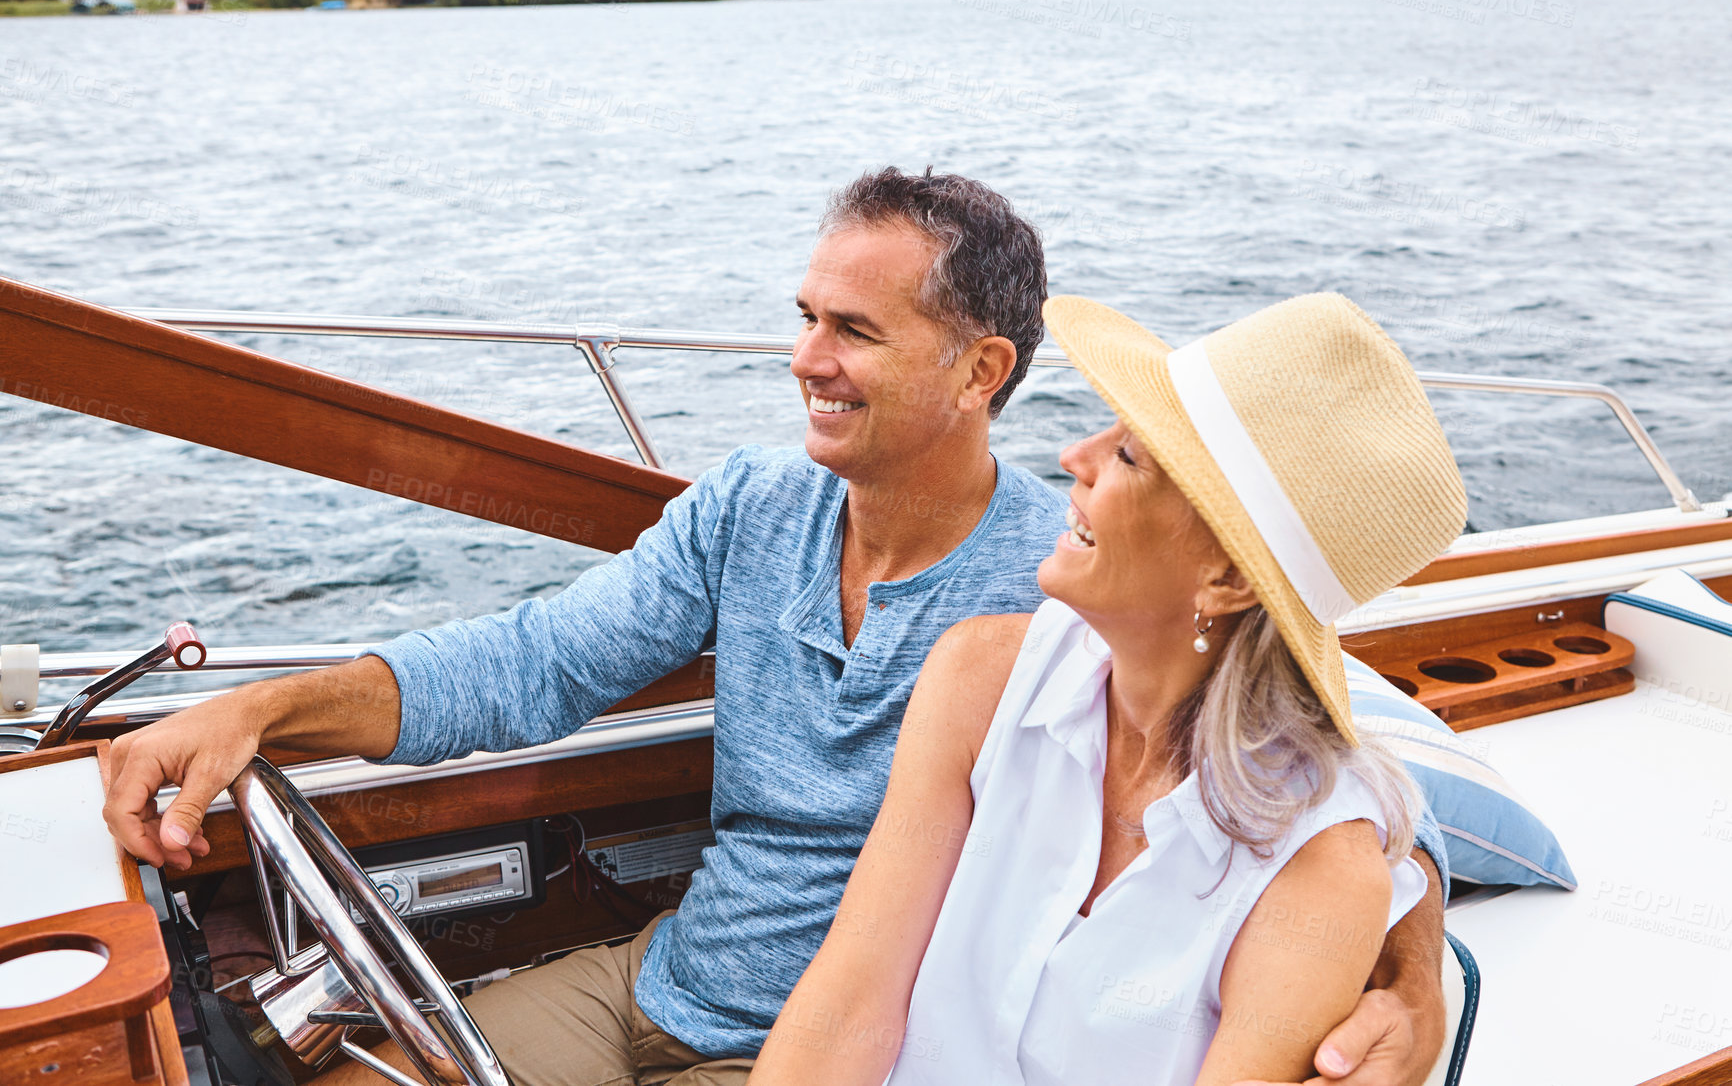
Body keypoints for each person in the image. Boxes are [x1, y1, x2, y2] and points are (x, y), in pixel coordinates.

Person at [102, 170, 1450, 1086]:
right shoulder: (757, 507)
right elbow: (536, 663)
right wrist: (259, 708)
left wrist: (1410, 942)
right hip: (670, 969)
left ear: (978, 371)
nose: (805, 358)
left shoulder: (1065, 589)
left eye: (852, 330)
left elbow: (1344, 752)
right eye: (805, 317)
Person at [750, 292, 1468, 1086]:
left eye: (1129, 455)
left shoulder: (1320, 872)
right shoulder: (978, 678)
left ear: (1226, 576)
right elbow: (850, 1005)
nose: (1075, 455)